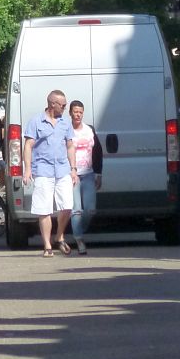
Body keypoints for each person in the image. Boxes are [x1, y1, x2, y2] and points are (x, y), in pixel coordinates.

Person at [22, 89, 78, 257]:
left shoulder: (65, 123)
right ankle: (47, 245)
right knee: (44, 209)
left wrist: (73, 169)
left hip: (62, 169)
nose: (65, 108)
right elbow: (28, 146)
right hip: (43, 170)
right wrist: (27, 169)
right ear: (52, 104)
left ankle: (59, 235)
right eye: (63, 105)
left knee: (67, 206)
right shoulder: (36, 122)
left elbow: (70, 146)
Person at [68, 100, 102, 255]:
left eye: (80, 112)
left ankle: (78, 230)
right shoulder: (66, 130)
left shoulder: (89, 130)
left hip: (88, 173)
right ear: (70, 113)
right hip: (72, 175)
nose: (78, 114)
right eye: (75, 111)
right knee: (76, 210)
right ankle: (79, 239)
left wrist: (98, 173)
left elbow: (98, 152)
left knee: (90, 210)